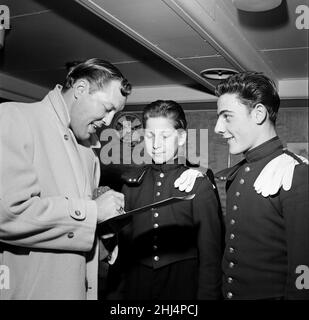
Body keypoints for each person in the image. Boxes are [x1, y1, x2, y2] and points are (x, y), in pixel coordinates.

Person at [0, 58, 203, 300]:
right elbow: (7, 213)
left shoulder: (88, 148)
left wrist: (107, 232)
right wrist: (93, 212)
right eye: (107, 108)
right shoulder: (13, 118)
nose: (108, 121)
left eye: (115, 113)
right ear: (81, 89)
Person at [112, 100, 223, 300]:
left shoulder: (198, 184)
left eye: (165, 136)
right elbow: (124, 253)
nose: (155, 145)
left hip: (182, 285)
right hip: (138, 286)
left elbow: (211, 256)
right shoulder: (131, 184)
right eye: (149, 136)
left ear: (181, 138)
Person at [214, 71, 309, 300]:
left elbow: (304, 266)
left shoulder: (295, 173)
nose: (218, 128)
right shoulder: (238, 173)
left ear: (258, 114)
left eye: (227, 116)